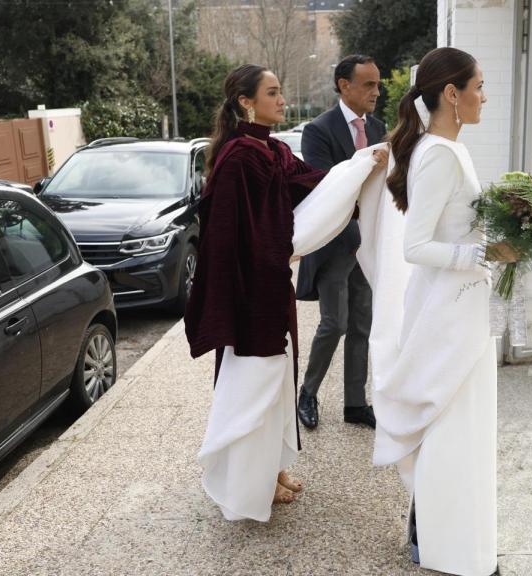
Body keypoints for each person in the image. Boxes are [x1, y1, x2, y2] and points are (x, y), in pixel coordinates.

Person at [184, 64, 387, 522]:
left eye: (280, 92)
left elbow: (315, 184)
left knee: (278, 383)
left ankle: (272, 471)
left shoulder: (273, 150)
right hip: (251, 295)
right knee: (255, 386)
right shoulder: (239, 157)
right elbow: (228, 236)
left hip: (272, 286)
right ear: (245, 102)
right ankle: (248, 483)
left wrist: (362, 168)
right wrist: (274, 257)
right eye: (272, 93)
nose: (282, 100)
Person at [369, 47, 515, 575]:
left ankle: (450, 536)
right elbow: (416, 246)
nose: (485, 96)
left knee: (461, 426)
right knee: (450, 424)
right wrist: (485, 252)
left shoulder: (451, 149)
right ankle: (444, 542)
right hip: (446, 312)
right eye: (479, 86)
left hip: (463, 306)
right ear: (452, 94)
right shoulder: (439, 155)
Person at [295, 55, 386, 430]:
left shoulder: (379, 128)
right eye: (369, 84)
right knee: (335, 324)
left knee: (363, 325)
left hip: (367, 245)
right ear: (344, 85)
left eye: (378, 84)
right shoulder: (318, 130)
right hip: (334, 246)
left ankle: (355, 403)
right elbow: (325, 187)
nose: (376, 92)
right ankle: (307, 393)